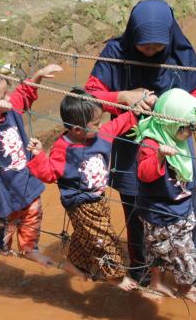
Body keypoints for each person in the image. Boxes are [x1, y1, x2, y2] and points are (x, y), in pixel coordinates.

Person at [85, 0, 196, 284]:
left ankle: (192, 276)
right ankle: (143, 274)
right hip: (131, 146)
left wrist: (176, 110)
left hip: (176, 145)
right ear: (133, 35)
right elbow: (89, 96)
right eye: (145, 46)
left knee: (186, 206)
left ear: (169, 36)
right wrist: (122, 97)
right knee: (136, 210)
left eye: (157, 46)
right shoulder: (116, 52)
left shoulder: (182, 54)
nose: (152, 51)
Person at [26, 89, 138, 291]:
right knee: (103, 237)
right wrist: (38, 154)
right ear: (77, 129)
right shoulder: (63, 147)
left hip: (98, 198)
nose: (101, 125)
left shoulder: (102, 134)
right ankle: (115, 276)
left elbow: (119, 124)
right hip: (79, 203)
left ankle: (75, 263)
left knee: (85, 234)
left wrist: (136, 111)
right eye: (96, 123)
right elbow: (50, 173)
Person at [0, 64, 62, 267]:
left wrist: (38, 74)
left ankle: (30, 250)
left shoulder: (10, 108)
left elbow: (24, 92)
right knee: (5, 231)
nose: (9, 98)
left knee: (33, 215)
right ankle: (5, 256)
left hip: (26, 180)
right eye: (3, 96)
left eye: (7, 92)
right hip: (5, 192)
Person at [134, 88, 196, 303]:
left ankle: (158, 282)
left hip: (179, 206)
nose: (189, 132)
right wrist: (159, 155)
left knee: (159, 248)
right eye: (185, 127)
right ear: (169, 122)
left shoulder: (174, 136)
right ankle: (184, 287)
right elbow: (144, 174)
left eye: (192, 127)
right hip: (160, 212)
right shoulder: (151, 143)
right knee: (182, 254)